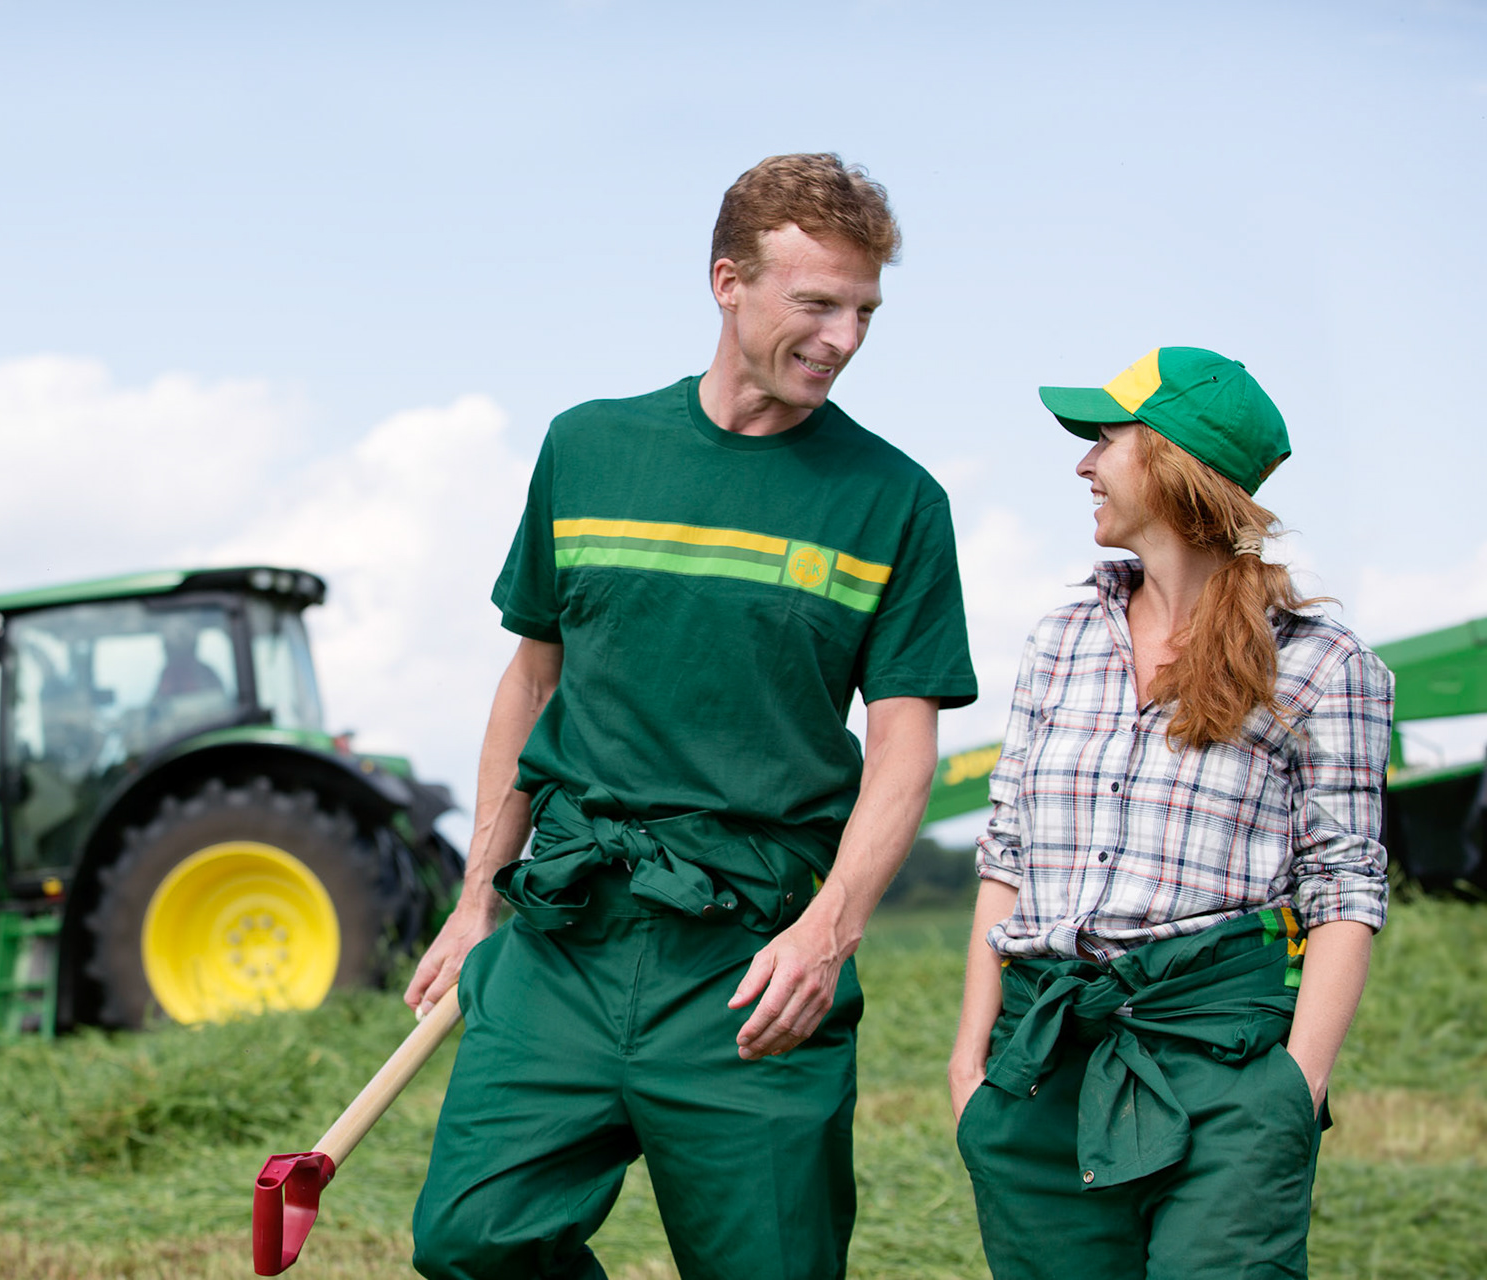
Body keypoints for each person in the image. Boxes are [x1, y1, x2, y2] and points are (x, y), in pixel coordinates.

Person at [404, 153, 978, 1280]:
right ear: (728, 281)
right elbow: (531, 683)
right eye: (816, 303)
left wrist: (829, 931)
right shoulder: (589, 447)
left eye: (864, 310)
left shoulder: (896, 501)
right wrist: (477, 898)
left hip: (752, 958)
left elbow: (904, 753)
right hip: (564, 936)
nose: (844, 338)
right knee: (469, 1243)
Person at [948, 347, 1392, 1277]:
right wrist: (969, 1071)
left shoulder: (1321, 663)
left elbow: (1344, 888)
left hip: (1222, 1067)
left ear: (1170, 461)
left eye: (1104, 440)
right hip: (1041, 1066)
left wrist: (1293, 1091)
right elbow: (1007, 857)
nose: (1082, 465)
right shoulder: (1061, 639)